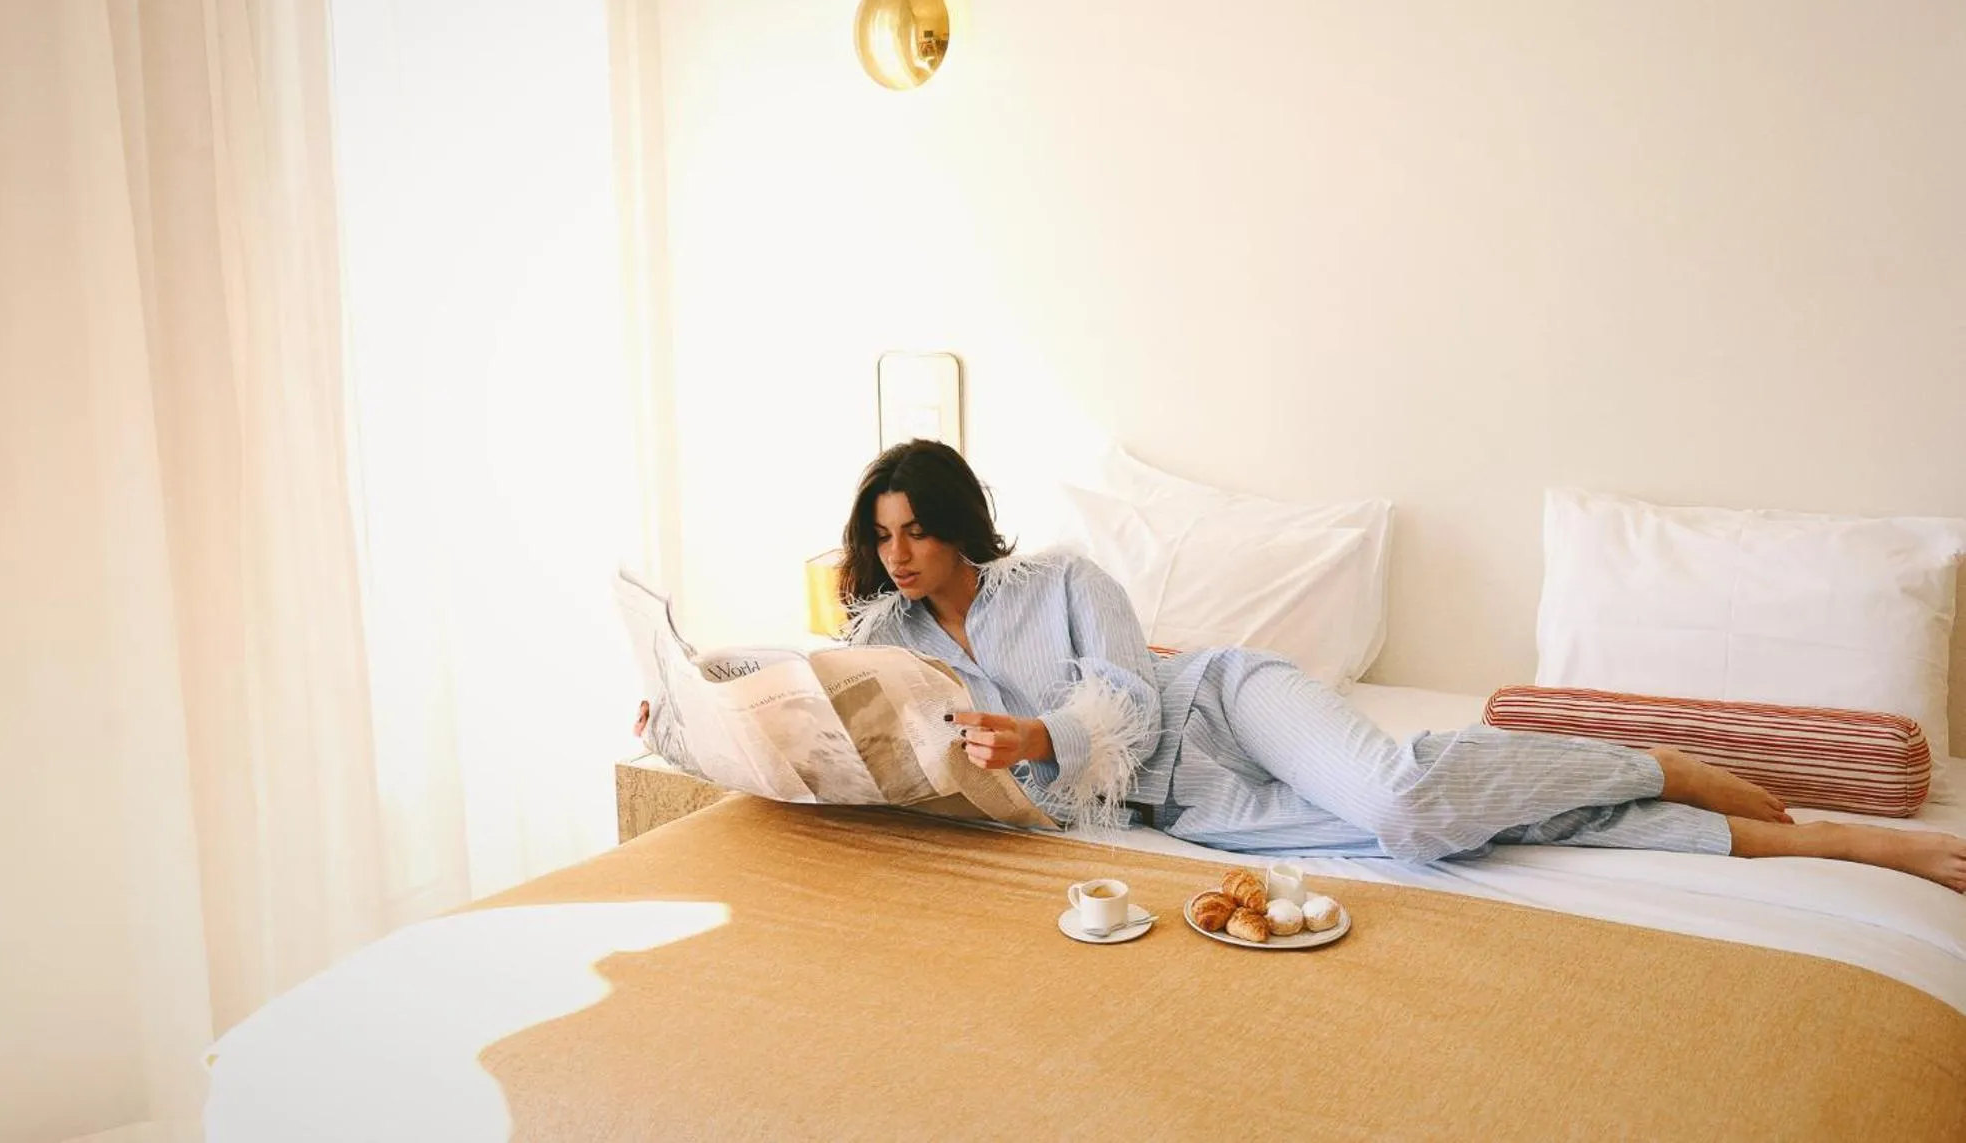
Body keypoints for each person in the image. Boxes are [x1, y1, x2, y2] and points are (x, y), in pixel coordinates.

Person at [818, 438, 1966, 892]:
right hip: (1200, 810)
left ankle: (1640, 755)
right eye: (882, 535)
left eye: (913, 527)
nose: (897, 551)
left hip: (1228, 706)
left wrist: (1040, 737)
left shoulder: (1070, 580)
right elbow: (811, 701)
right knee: (1454, 826)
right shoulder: (895, 644)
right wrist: (684, 716)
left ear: (961, 519)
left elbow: (1121, 695)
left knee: (1406, 795)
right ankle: (1819, 838)